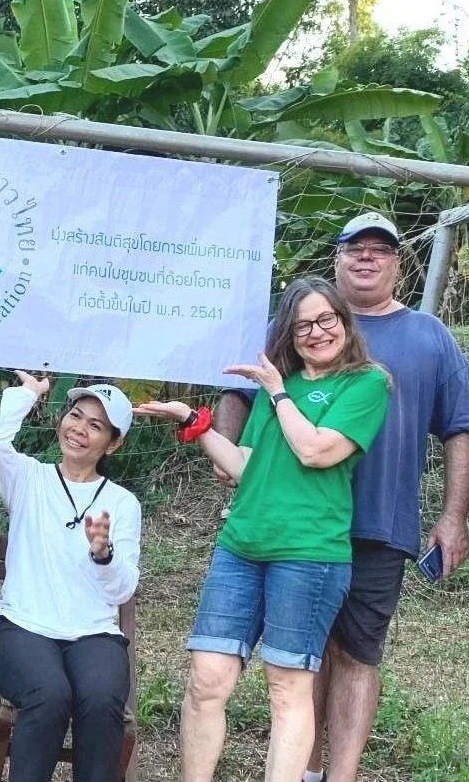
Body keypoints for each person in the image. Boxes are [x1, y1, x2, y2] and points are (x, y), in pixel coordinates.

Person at [215, 212, 469, 782]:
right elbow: (240, 388)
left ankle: (341, 774)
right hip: (293, 524)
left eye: (379, 249)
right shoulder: (293, 326)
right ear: (336, 259)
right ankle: (306, 770)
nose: (366, 257)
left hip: (377, 523)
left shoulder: (428, 336)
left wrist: (453, 516)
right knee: (301, 654)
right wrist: (229, 450)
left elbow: (462, 427)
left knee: (357, 654)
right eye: (354, 248)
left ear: (398, 264)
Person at [136, 276, 390, 782]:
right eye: (302, 326)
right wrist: (194, 422)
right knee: (206, 680)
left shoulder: (366, 383)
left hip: (309, 554)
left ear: (344, 321)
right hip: (241, 547)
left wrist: (276, 392)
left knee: (287, 689)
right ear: (289, 336)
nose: (317, 332)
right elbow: (243, 465)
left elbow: (315, 450)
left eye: (325, 319)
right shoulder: (282, 388)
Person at [0, 372, 141, 782]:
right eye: (76, 415)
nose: (79, 429)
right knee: (49, 695)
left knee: (101, 699)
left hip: (93, 633)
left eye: (95, 425)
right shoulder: (28, 478)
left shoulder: (123, 503)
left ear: (113, 443)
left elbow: (123, 588)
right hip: (22, 625)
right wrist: (28, 393)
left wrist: (103, 554)